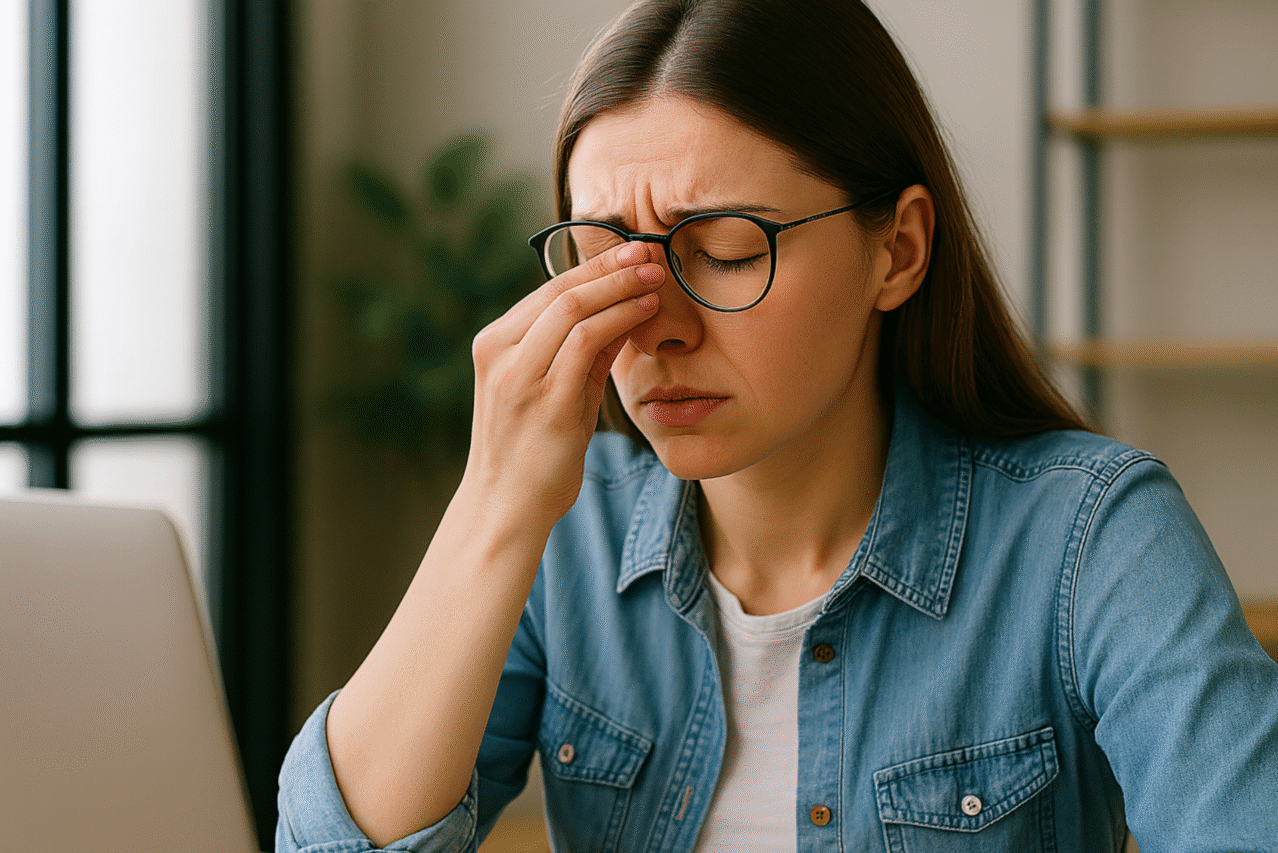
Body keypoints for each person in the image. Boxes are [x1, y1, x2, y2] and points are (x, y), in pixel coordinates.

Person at [277, 1, 1278, 851]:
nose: (653, 327)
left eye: (719, 248)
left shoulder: (1090, 537)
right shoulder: (565, 537)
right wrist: (495, 504)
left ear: (896, 250)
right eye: (604, 258)